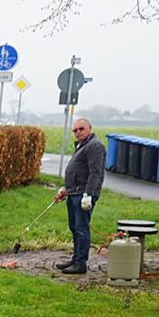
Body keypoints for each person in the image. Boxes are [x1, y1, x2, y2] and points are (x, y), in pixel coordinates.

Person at [55, 117, 106, 275]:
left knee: (81, 228)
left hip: (83, 194)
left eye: (81, 129)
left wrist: (88, 194)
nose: (78, 133)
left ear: (90, 128)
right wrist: (66, 188)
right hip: (74, 192)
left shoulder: (94, 145)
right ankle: (75, 258)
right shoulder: (82, 145)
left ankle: (80, 263)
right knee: (74, 228)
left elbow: (95, 172)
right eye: (75, 130)